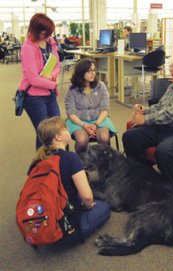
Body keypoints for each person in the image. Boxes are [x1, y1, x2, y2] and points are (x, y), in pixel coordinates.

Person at [122, 55, 173, 183]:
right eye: (171, 66)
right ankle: (145, 175)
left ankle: (171, 186)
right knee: (129, 137)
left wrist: (146, 119)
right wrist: (145, 110)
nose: (170, 69)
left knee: (164, 151)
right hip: (163, 126)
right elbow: (161, 107)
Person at [29, 116, 110, 246]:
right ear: (58, 137)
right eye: (65, 129)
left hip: (42, 219)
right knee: (104, 207)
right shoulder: (70, 158)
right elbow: (87, 197)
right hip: (65, 230)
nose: (68, 130)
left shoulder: (37, 160)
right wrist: (89, 205)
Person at [18, 13, 61, 149]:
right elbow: (33, 79)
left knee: (57, 128)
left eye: (49, 33)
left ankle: (55, 162)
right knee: (44, 134)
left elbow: (57, 64)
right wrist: (53, 83)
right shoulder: (28, 47)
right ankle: (41, 166)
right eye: (45, 33)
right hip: (34, 96)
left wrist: (52, 76)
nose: (48, 36)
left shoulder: (50, 42)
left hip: (50, 93)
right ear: (36, 30)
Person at [65, 58, 117, 154]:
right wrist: (84, 125)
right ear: (81, 73)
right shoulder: (72, 89)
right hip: (78, 121)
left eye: (94, 70)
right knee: (81, 140)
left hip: (99, 119)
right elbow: (71, 113)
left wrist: (96, 124)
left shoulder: (101, 86)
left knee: (104, 138)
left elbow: (104, 109)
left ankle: (104, 162)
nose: (93, 73)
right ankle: (82, 164)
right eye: (89, 71)